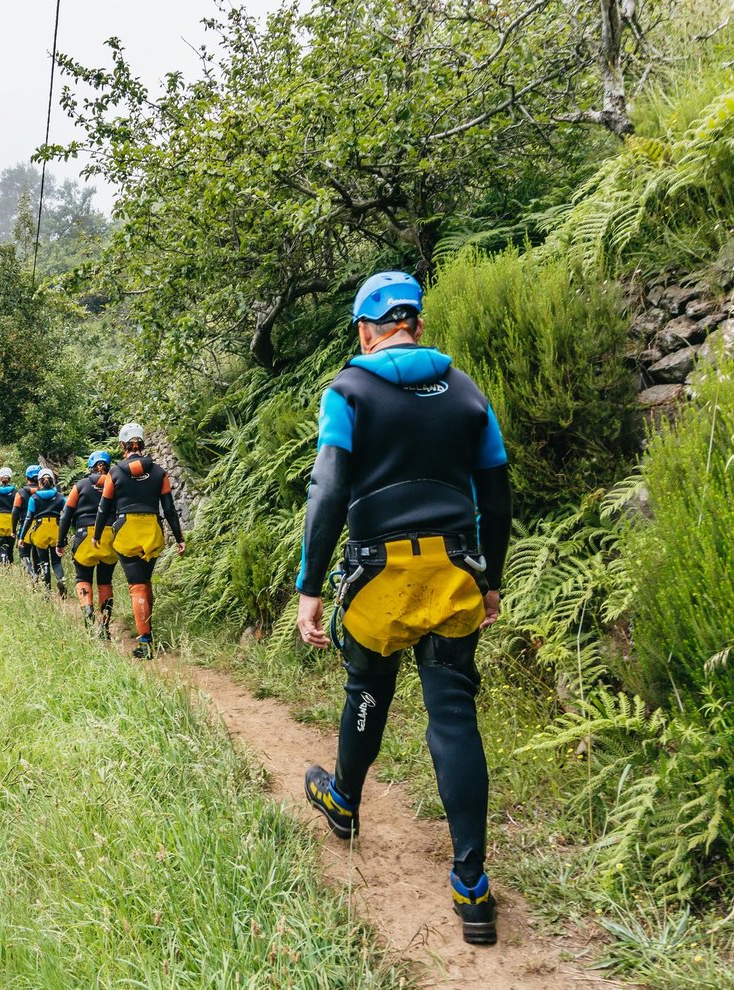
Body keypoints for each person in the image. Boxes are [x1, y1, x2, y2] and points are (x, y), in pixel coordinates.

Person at [294, 270, 512, 946]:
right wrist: (492, 580)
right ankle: (472, 886)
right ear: (416, 322)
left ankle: (345, 802)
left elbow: (328, 493)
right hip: (454, 570)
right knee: (453, 712)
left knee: (367, 688)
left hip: (378, 575)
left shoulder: (349, 391)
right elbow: (497, 491)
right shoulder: (467, 390)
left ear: (366, 329)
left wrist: (310, 586)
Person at [92, 423, 185, 658]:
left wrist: (96, 535)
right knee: (146, 581)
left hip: (126, 531)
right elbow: (170, 509)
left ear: (123, 446)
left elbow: (103, 509)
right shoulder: (159, 472)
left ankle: (145, 642)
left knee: (137, 586)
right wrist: (179, 538)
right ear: (142, 444)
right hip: (152, 530)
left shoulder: (114, 473)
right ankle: (148, 629)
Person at [59, 449, 117, 638]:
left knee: (82, 577)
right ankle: (105, 625)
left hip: (84, 536)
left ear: (91, 467)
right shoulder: (115, 483)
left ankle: (88, 612)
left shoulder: (81, 485)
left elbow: (66, 515)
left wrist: (61, 542)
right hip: (109, 536)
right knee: (105, 581)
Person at [17, 467, 66, 595]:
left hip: (40, 531)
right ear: (53, 481)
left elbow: (28, 518)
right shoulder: (60, 497)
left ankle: (47, 590)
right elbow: (66, 515)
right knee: (56, 561)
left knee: (43, 561)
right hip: (56, 529)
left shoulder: (34, 498)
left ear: (39, 482)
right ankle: (61, 579)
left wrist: (22, 536)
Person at [12, 464, 42, 580]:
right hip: (39, 527)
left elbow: (15, 512)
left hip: (25, 526)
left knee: (24, 554)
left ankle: (31, 573)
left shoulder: (21, 493)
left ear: (27, 478)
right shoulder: (43, 491)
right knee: (37, 555)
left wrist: (14, 530)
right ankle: (39, 576)